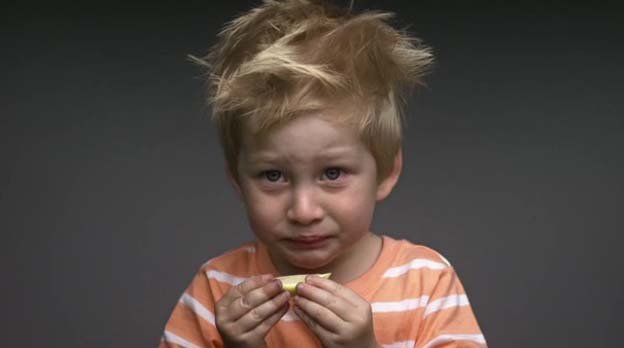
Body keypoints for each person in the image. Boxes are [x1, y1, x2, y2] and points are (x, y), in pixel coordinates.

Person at [160, 0, 487, 347]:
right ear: (238, 182)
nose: (303, 211)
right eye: (273, 176)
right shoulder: (216, 288)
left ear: (386, 173)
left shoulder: (425, 281)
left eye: (332, 173)